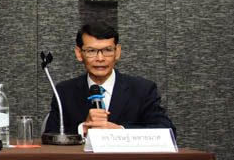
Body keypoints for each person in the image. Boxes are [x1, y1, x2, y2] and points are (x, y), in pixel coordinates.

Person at [44, 21, 175, 136]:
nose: (100, 58)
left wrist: (119, 131)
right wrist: (83, 129)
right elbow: (50, 136)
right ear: (79, 53)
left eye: (107, 50)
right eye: (91, 51)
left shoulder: (142, 90)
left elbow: (166, 130)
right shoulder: (64, 92)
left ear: (117, 52)